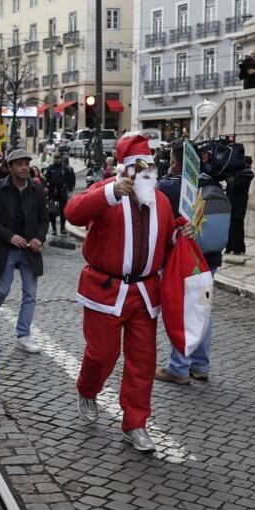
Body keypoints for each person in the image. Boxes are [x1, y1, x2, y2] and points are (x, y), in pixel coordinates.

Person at [65, 134, 193, 453]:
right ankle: (87, 387)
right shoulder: (106, 191)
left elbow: (166, 245)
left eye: (151, 166)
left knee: (142, 362)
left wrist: (182, 235)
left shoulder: (161, 202)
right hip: (104, 290)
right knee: (102, 355)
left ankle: (135, 424)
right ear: (125, 169)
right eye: (140, 166)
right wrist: (108, 192)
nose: (147, 172)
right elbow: (73, 213)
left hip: (145, 293)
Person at [155, 139, 228, 385]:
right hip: (211, 257)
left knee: (182, 310)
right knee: (201, 308)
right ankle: (200, 365)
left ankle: (178, 367)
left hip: (184, 258)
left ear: (176, 161)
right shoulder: (213, 183)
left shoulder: (169, 186)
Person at [0, 149, 49, 353]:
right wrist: (9, 236)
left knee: (30, 294)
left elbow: (44, 219)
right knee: (2, 290)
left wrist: (39, 238)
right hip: (5, 248)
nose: (25, 167)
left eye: (26, 163)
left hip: (30, 250)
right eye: (19, 164)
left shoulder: (36, 189)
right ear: (9, 168)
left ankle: (23, 335)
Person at [226, 156, 253, 255]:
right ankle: (229, 247)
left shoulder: (248, 173)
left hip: (239, 204)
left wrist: (233, 177)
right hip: (231, 201)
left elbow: (237, 186)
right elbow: (230, 184)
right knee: (230, 226)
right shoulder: (238, 173)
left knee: (237, 226)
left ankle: (238, 248)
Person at [44, 153, 75, 235]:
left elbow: (70, 180)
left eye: (58, 158)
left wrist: (70, 191)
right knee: (52, 211)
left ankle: (62, 228)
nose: (56, 159)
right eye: (55, 158)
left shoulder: (65, 168)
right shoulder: (49, 168)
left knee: (63, 211)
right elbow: (44, 179)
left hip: (62, 193)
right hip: (52, 193)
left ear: (61, 158)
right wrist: (45, 188)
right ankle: (54, 228)